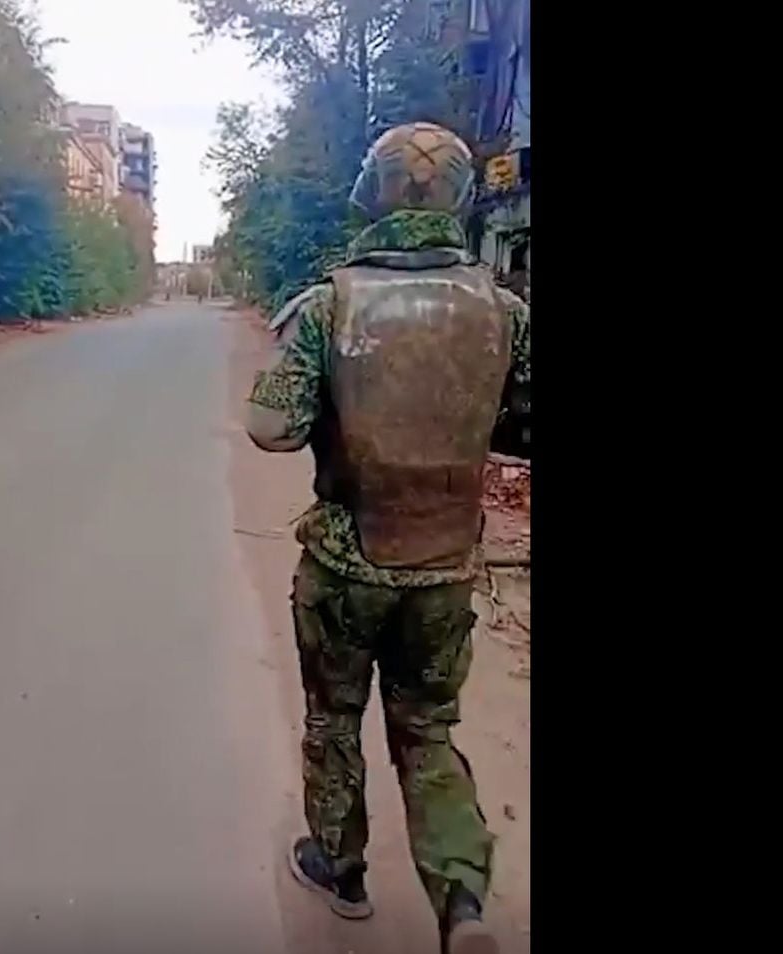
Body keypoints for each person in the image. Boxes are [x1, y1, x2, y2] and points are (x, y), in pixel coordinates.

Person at [245, 122, 529, 954]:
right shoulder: (507, 313)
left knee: (335, 717)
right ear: (461, 201)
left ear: (372, 196)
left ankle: (341, 868)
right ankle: (462, 902)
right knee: (428, 728)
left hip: (345, 561)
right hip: (444, 565)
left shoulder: (329, 304)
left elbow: (269, 427)